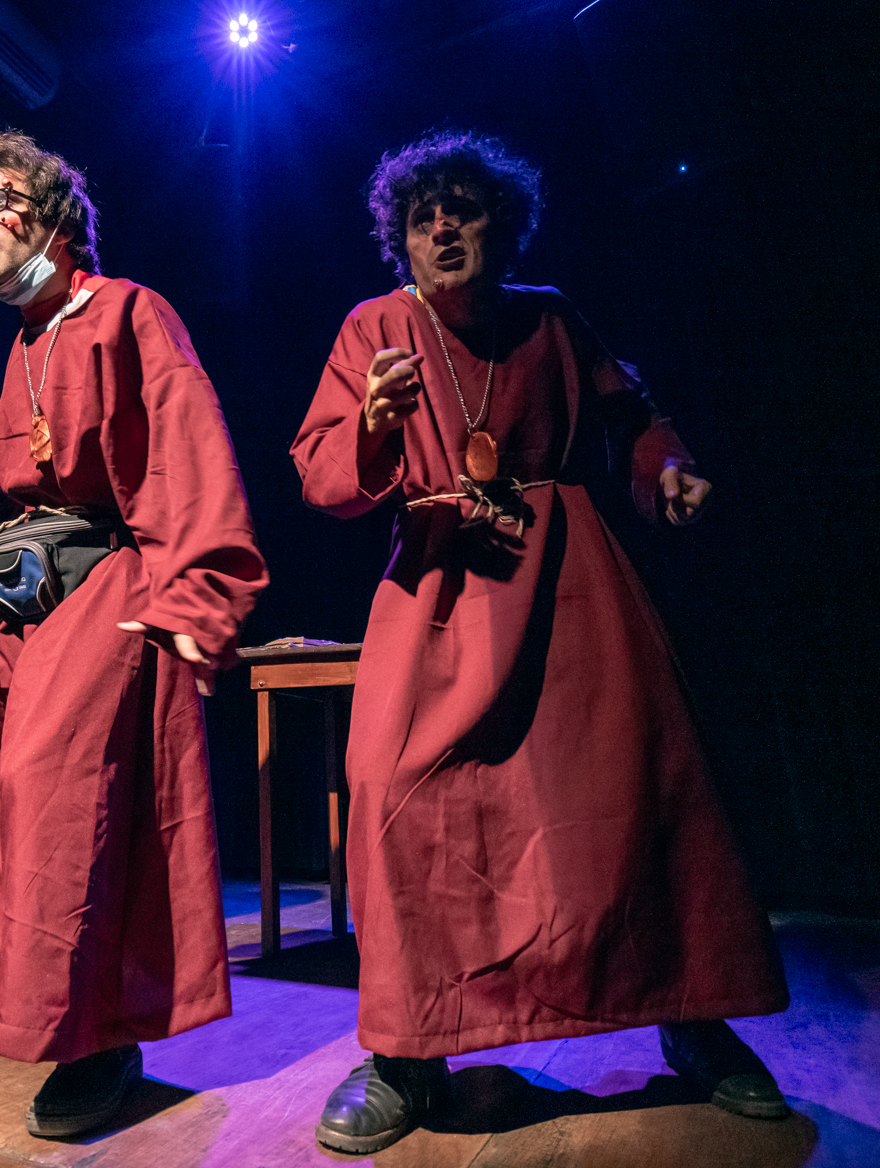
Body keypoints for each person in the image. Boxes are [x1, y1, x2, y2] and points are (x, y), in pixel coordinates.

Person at [290, 131, 790, 1154]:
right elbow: (322, 474)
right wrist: (375, 423)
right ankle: (406, 1050)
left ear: (502, 225)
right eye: (422, 215)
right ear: (399, 238)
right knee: (390, 789)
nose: (442, 228)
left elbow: (635, 419)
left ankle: (692, 1013)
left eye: (463, 209)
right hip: (438, 584)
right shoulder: (374, 326)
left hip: (568, 579)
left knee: (642, 781)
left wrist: (664, 472)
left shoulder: (551, 317)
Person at [0, 130, 267, 1139]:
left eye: (2, 201)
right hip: (26, 596)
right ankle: (24, 945)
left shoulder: (129, 310)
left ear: (56, 218)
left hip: (109, 580)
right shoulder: (21, 343)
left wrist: (197, 596)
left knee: (53, 791)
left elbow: (187, 444)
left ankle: (92, 1038)